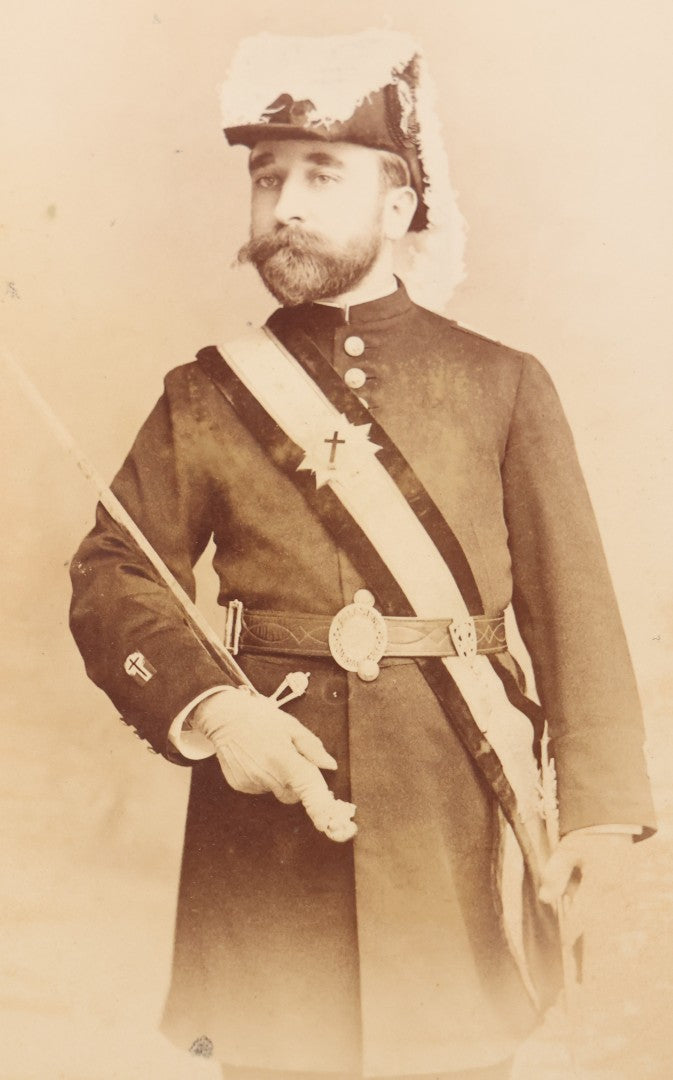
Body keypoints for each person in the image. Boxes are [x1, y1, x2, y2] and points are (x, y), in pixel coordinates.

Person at [69, 29, 656, 1080]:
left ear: (398, 206)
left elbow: (574, 613)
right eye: (267, 177)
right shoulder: (204, 393)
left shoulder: (500, 384)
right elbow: (112, 572)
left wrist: (600, 820)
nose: (285, 204)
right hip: (270, 816)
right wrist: (218, 713)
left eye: (322, 174)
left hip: (453, 813)